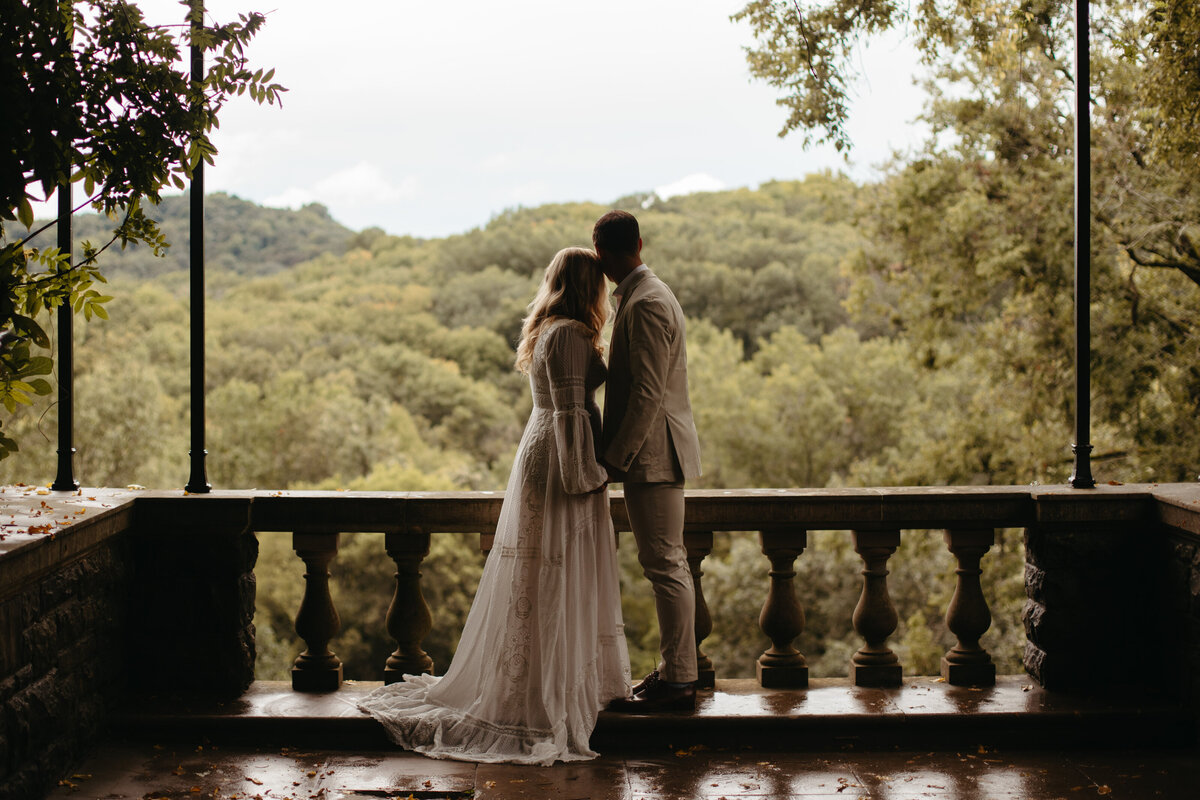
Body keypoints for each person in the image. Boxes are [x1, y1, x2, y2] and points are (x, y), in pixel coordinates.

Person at [357, 247, 631, 765]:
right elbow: (573, 413)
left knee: (537, 574)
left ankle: (528, 681)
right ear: (586, 286)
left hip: (539, 449)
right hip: (562, 462)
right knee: (555, 570)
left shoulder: (547, 329)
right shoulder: (572, 334)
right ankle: (541, 695)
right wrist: (592, 475)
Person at [592, 210, 703, 713]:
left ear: (602, 254)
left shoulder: (648, 302)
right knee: (663, 564)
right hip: (652, 454)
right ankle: (673, 672)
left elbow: (648, 393)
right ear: (639, 242)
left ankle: (679, 679)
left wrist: (616, 458)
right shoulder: (642, 296)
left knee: (666, 565)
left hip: (654, 455)